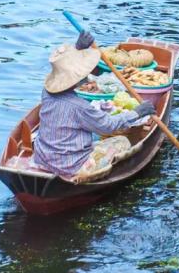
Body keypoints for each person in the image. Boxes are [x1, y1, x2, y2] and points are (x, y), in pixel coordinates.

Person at [32, 31, 157, 181]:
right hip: (71, 167)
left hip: (43, 158)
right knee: (122, 141)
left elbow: (63, 68)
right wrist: (137, 112)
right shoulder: (80, 107)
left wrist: (78, 48)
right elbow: (108, 126)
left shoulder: (46, 92)